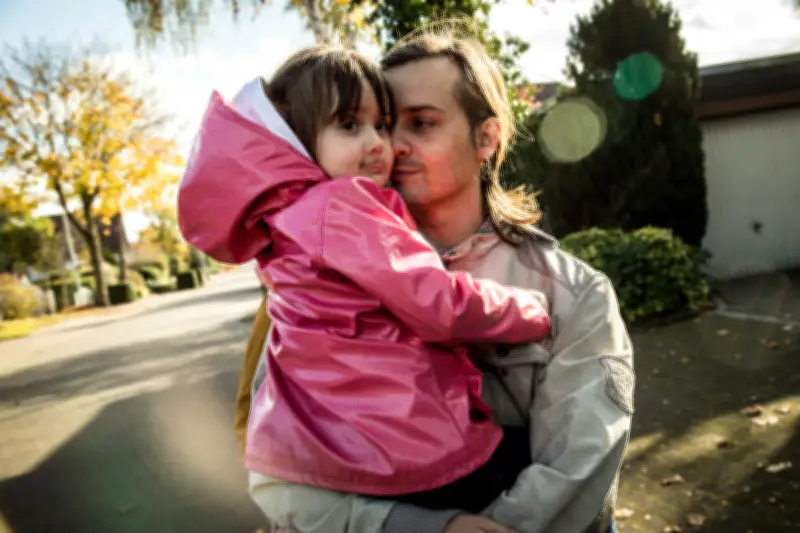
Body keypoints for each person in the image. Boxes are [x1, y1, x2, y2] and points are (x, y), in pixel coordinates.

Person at [241, 28, 635, 533]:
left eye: (421, 123)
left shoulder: (574, 295)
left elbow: (578, 478)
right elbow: (279, 485)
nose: (388, 145)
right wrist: (425, 527)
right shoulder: (311, 283)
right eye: (382, 125)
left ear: (486, 137)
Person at [177, 44, 554, 528]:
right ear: (299, 139)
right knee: (527, 458)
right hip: (410, 443)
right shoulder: (342, 206)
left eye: (381, 124)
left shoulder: (283, 225)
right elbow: (438, 305)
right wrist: (530, 309)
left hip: (338, 457)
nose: (379, 143)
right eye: (350, 125)